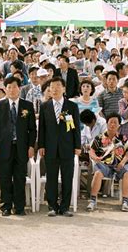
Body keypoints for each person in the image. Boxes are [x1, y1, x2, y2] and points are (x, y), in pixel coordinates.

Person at [0, 77, 37, 216]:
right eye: (9, 87)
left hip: (21, 147)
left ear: (19, 88)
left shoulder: (27, 106)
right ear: (5, 89)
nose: (12, 90)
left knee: (19, 177)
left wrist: (31, 146)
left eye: (14, 87)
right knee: (5, 177)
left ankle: (20, 206)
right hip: (4, 147)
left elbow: (32, 129)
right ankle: (6, 206)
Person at [38, 77, 81, 217]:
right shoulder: (45, 106)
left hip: (67, 147)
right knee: (51, 178)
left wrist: (77, 146)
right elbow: (42, 129)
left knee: (67, 177)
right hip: (50, 148)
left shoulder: (72, 106)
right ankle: (52, 206)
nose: (54, 89)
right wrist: (41, 145)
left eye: (57, 86)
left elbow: (76, 129)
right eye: (52, 86)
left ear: (64, 89)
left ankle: (65, 207)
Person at [87, 114, 128, 212]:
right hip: (105, 165)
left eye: (115, 122)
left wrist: (123, 162)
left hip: (120, 164)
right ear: (107, 123)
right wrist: (95, 158)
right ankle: (93, 200)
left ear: (119, 125)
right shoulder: (99, 138)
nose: (112, 124)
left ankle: (125, 201)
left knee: (127, 173)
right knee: (98, 173)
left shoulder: (122, 138)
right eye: (110, 122)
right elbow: (91, 150)